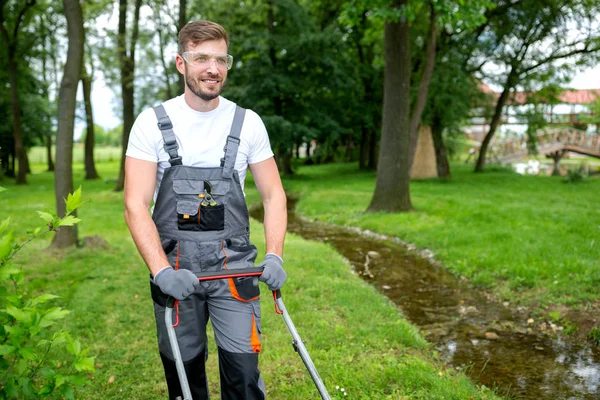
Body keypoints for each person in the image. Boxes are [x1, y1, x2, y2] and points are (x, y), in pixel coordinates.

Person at [123, 20, 287, 400]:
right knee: (184, 379)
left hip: (235, 272)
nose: (213, 68)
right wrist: (161, 271)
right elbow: (135, 204)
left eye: (221, 59)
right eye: (201, 58)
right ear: (181, 63)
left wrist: (275, 254)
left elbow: (274, 195)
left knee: (244, 378)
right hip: (176, 275)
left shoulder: (248, 124)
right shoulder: (151, 124)